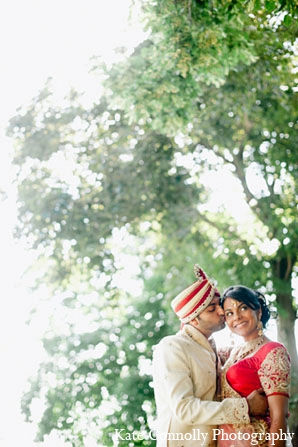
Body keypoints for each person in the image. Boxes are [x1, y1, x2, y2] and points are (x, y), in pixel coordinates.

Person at [152, 265, 268, 447]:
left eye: (218, 305)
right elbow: (184, 409)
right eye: (212, 308)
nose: (222, 311)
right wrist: (246, 407)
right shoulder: (173, 346)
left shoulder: (213, 350)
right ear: (194, 319)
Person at [218, 285, 291, 447]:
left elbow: (279, 416)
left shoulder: (273, 351)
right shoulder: (233, 353)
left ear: (258, 312)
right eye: (229, 313)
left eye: (243, 308)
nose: (236, 316)